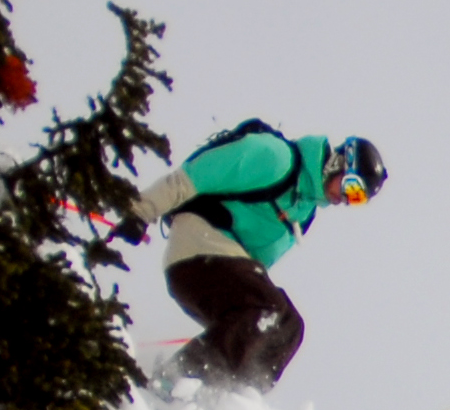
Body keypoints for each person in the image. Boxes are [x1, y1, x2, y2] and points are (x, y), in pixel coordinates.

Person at [117, 123, 386, 388]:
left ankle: (233, 396)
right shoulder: (275, 157)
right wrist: (140, 212)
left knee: (288, 327)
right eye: (352, 188)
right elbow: (194, 176)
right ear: (338, 163)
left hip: (225, 266)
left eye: (357, 199)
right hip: (197, 248)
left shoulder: (303, 213)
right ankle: (176, 382)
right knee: (267, 308)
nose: (345, 199)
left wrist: (241, 332)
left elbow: (255, 267)